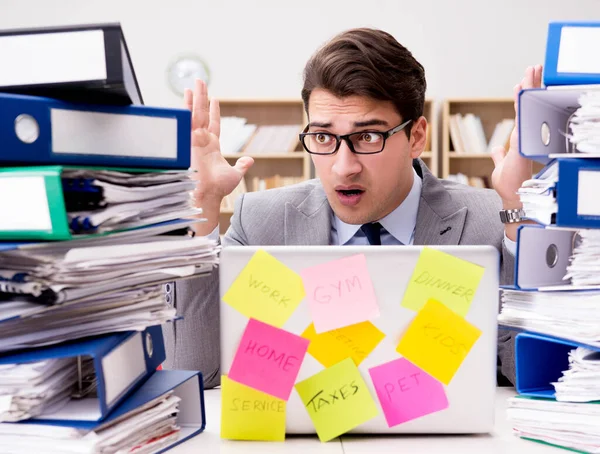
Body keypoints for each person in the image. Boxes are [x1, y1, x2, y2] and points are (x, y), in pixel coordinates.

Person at [163, 27, 542, 389]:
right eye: (324, 137)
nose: (344, 166)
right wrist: (203, 207)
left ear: (417, 137)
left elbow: (526, 373)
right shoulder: (262, 223)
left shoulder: (490, 222)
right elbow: (196, 369)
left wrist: (517, 210)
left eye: (367, 136)